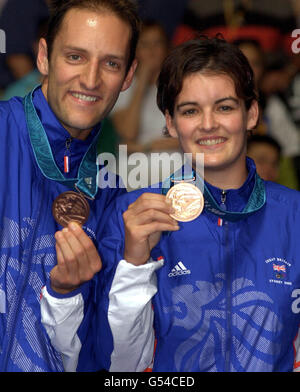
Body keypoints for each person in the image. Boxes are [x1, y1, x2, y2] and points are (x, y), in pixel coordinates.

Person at [41, 35, 300, 372]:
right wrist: (134, 264)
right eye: (190, 110)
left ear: (251, 114)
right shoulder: (132, 214)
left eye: (225, 106)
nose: (208, 124)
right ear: (170, 122)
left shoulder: (293, 213)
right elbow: (119, 366)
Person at [0, 0, 139, 372]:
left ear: (128, 76)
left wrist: (66, 295)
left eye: (111, 64)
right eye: (75, 56)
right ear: (44, 57)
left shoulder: (111, 196)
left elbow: (101, 356)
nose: (91, 79)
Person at [111, 20, 179, 188]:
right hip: (133, 165)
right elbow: (128, 132)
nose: (151, 51)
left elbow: (188, 135)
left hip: (175, 160)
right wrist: (141, 83)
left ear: (167, 48)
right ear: (135, 51)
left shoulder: (181, 86)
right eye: (145, 45)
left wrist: (145, 147)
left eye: (157, 43)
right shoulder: (122, 87)